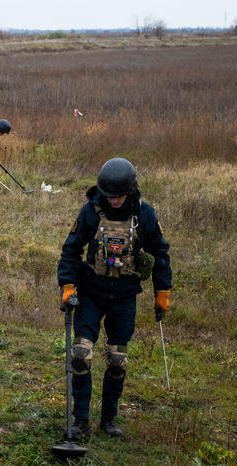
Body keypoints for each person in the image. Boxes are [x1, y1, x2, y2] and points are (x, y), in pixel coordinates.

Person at [57, 157, 172, 440]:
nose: (115, 201)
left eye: (119, 196)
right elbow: (71, 250)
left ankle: (108, 418)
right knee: (81, 355)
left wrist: (163, 292)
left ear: (130, 190)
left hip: (124, 296)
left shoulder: (144, 215)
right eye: (110, 196)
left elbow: (161, 252)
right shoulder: (90, 212)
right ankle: (80, 421)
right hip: (91, 293)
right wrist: (68, 286)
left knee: (117, 360)